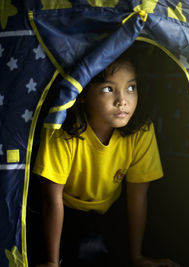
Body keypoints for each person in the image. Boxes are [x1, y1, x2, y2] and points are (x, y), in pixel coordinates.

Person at [33, 51, 179, 267]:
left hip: (109, 211)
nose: (122, 101)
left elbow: (137, 197)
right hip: (64, 212)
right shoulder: (62, 131)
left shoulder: (141, 131)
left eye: (131, 88)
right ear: (82, 94)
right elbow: (50, 198)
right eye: (108, 89)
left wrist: (137, 257)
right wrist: (51, 261)